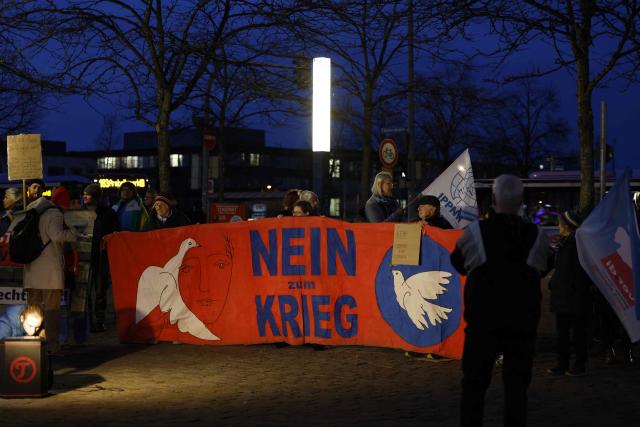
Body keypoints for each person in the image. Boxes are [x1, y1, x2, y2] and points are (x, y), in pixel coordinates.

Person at [450, 174, 550, 427]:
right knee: (516, 389)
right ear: (521, 201)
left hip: (483, 322)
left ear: (493, 199)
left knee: (474, 385)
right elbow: (546, 265)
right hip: (522, 322)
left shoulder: (476, 232)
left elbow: (458, 263)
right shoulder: (535, 235)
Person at [23, 191, 78, 354]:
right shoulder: (54, 214)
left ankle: (33, 342)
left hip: (32, 267)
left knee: (33, 309)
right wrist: (74, 233)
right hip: (50, 271)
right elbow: (57, 235)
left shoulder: (31, 210)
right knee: (52, 309)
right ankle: (52, 345)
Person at [547, 209, 593, 377]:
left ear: (566, 226)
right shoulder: (565, 242)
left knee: (576, 333)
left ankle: (578, 365)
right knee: (564, 333)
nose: (558, 225)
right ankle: (562, 364)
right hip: (565, 295)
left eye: (560, 223)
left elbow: (574, 272)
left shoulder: (574, 244)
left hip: (572, 296)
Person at [83, 183, 119, 332]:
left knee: (100, 291)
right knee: (84, 291)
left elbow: (114, 233)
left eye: (88, 194)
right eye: (84, 194)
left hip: (101, 257)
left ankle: (98, 320)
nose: (84, 196)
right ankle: (86, 321)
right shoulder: (81, 212)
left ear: (96, 197)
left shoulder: (108, 213)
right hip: (85, 256)